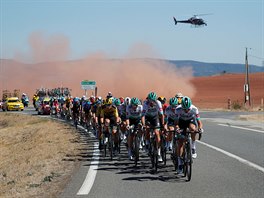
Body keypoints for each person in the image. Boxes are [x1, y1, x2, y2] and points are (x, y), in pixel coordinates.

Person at [174, 96, 204, 173]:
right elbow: (176, 123)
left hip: (190, 121)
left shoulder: (194, 109)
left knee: (193, 129)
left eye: (188, 109)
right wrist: (177, 128)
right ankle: (180, 162)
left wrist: (200, 129)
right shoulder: (178, 109)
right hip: (181, 122)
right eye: (184, 109)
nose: (186, 110)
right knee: (181, 142)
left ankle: (193, 147)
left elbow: (199, 122)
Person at [141, 92, 164, 162]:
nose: (151, 102)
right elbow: (143, 116)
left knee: (157, 133)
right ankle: (147, 144)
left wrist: (162, 124)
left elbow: (161, 115)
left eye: (153, 101)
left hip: (155, 118)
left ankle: (159, 152)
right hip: (147, 118)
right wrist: (144, 125)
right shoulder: (145, 104)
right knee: (147, 129)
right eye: (150, 101)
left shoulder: (158, 103)